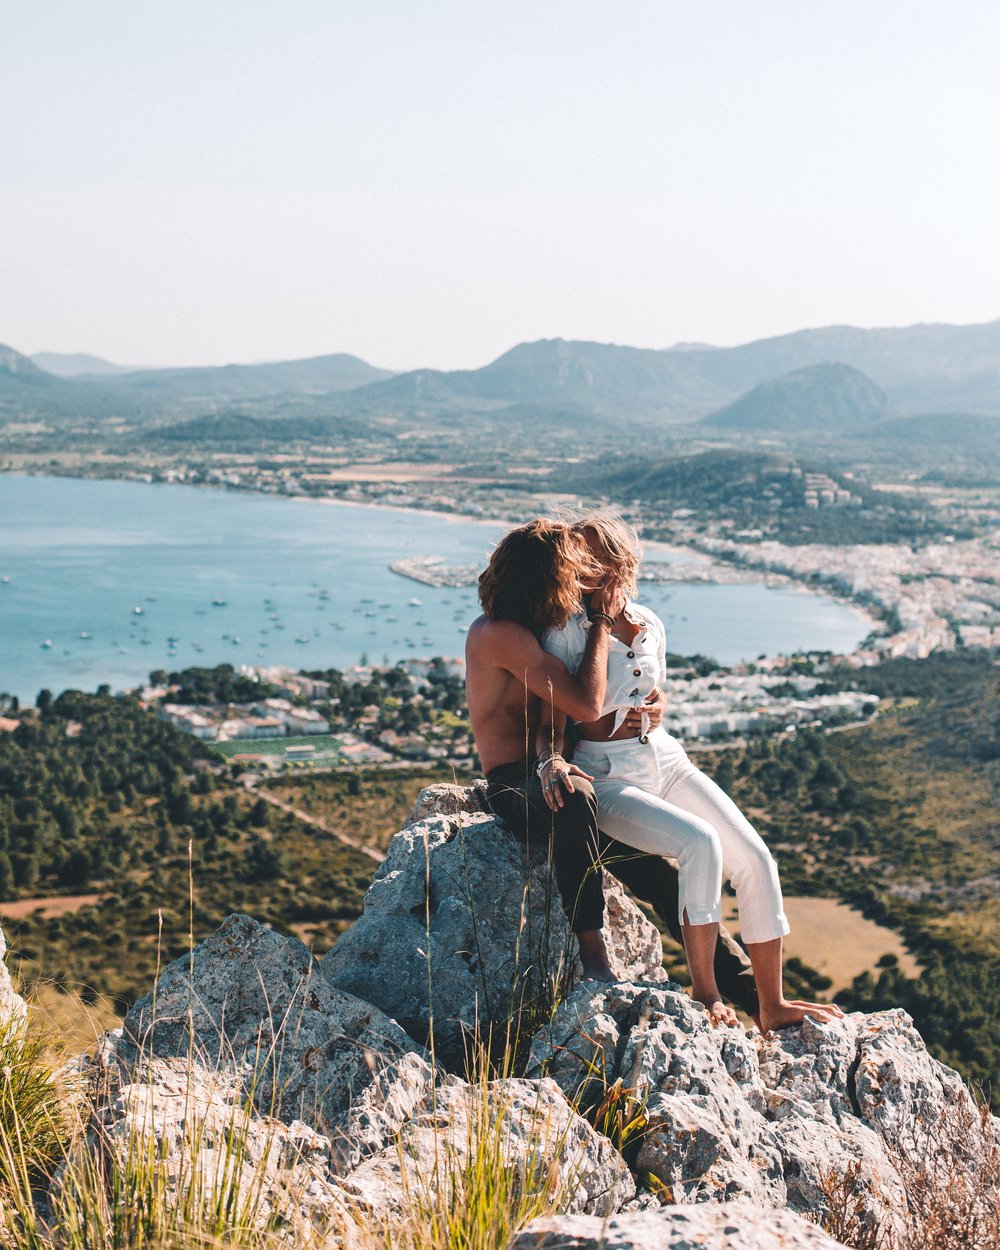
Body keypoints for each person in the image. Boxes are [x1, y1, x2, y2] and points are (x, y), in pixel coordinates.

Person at [538, 512, 844, 1032]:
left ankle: (772, 1004)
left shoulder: (652, 622)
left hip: (665, 757)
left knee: (755, 859)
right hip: (608, 775)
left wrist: (659, 706)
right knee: (701, 843)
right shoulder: (563, 633)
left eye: (593, 557)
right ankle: (706, 992)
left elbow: (651, 689)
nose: (583, 568)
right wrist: (551, 759)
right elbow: (555, 717)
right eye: (577, 558)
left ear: (619, 561)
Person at [465, 517, 626, 979]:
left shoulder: (538, 630)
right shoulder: (501, 636)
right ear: (548, 575)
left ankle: (744, 993)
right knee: (575, 797)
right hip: (515, 782)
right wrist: (601, 620)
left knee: (663, 873)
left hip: (557, 764)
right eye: (573, 569)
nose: (580, 578)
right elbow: (585, 703)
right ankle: (592, 953)